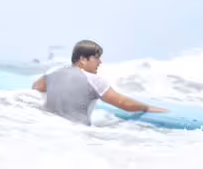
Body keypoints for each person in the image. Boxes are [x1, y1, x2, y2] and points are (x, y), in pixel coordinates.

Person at [31, 40, 167, 126]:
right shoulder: (93, 80)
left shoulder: (53, 74)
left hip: (51, 129)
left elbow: (36, 87)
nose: (100, 62)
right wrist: (147, 108)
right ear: (83, 59)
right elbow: (124, 104)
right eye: (96, 58)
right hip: (78, 136)